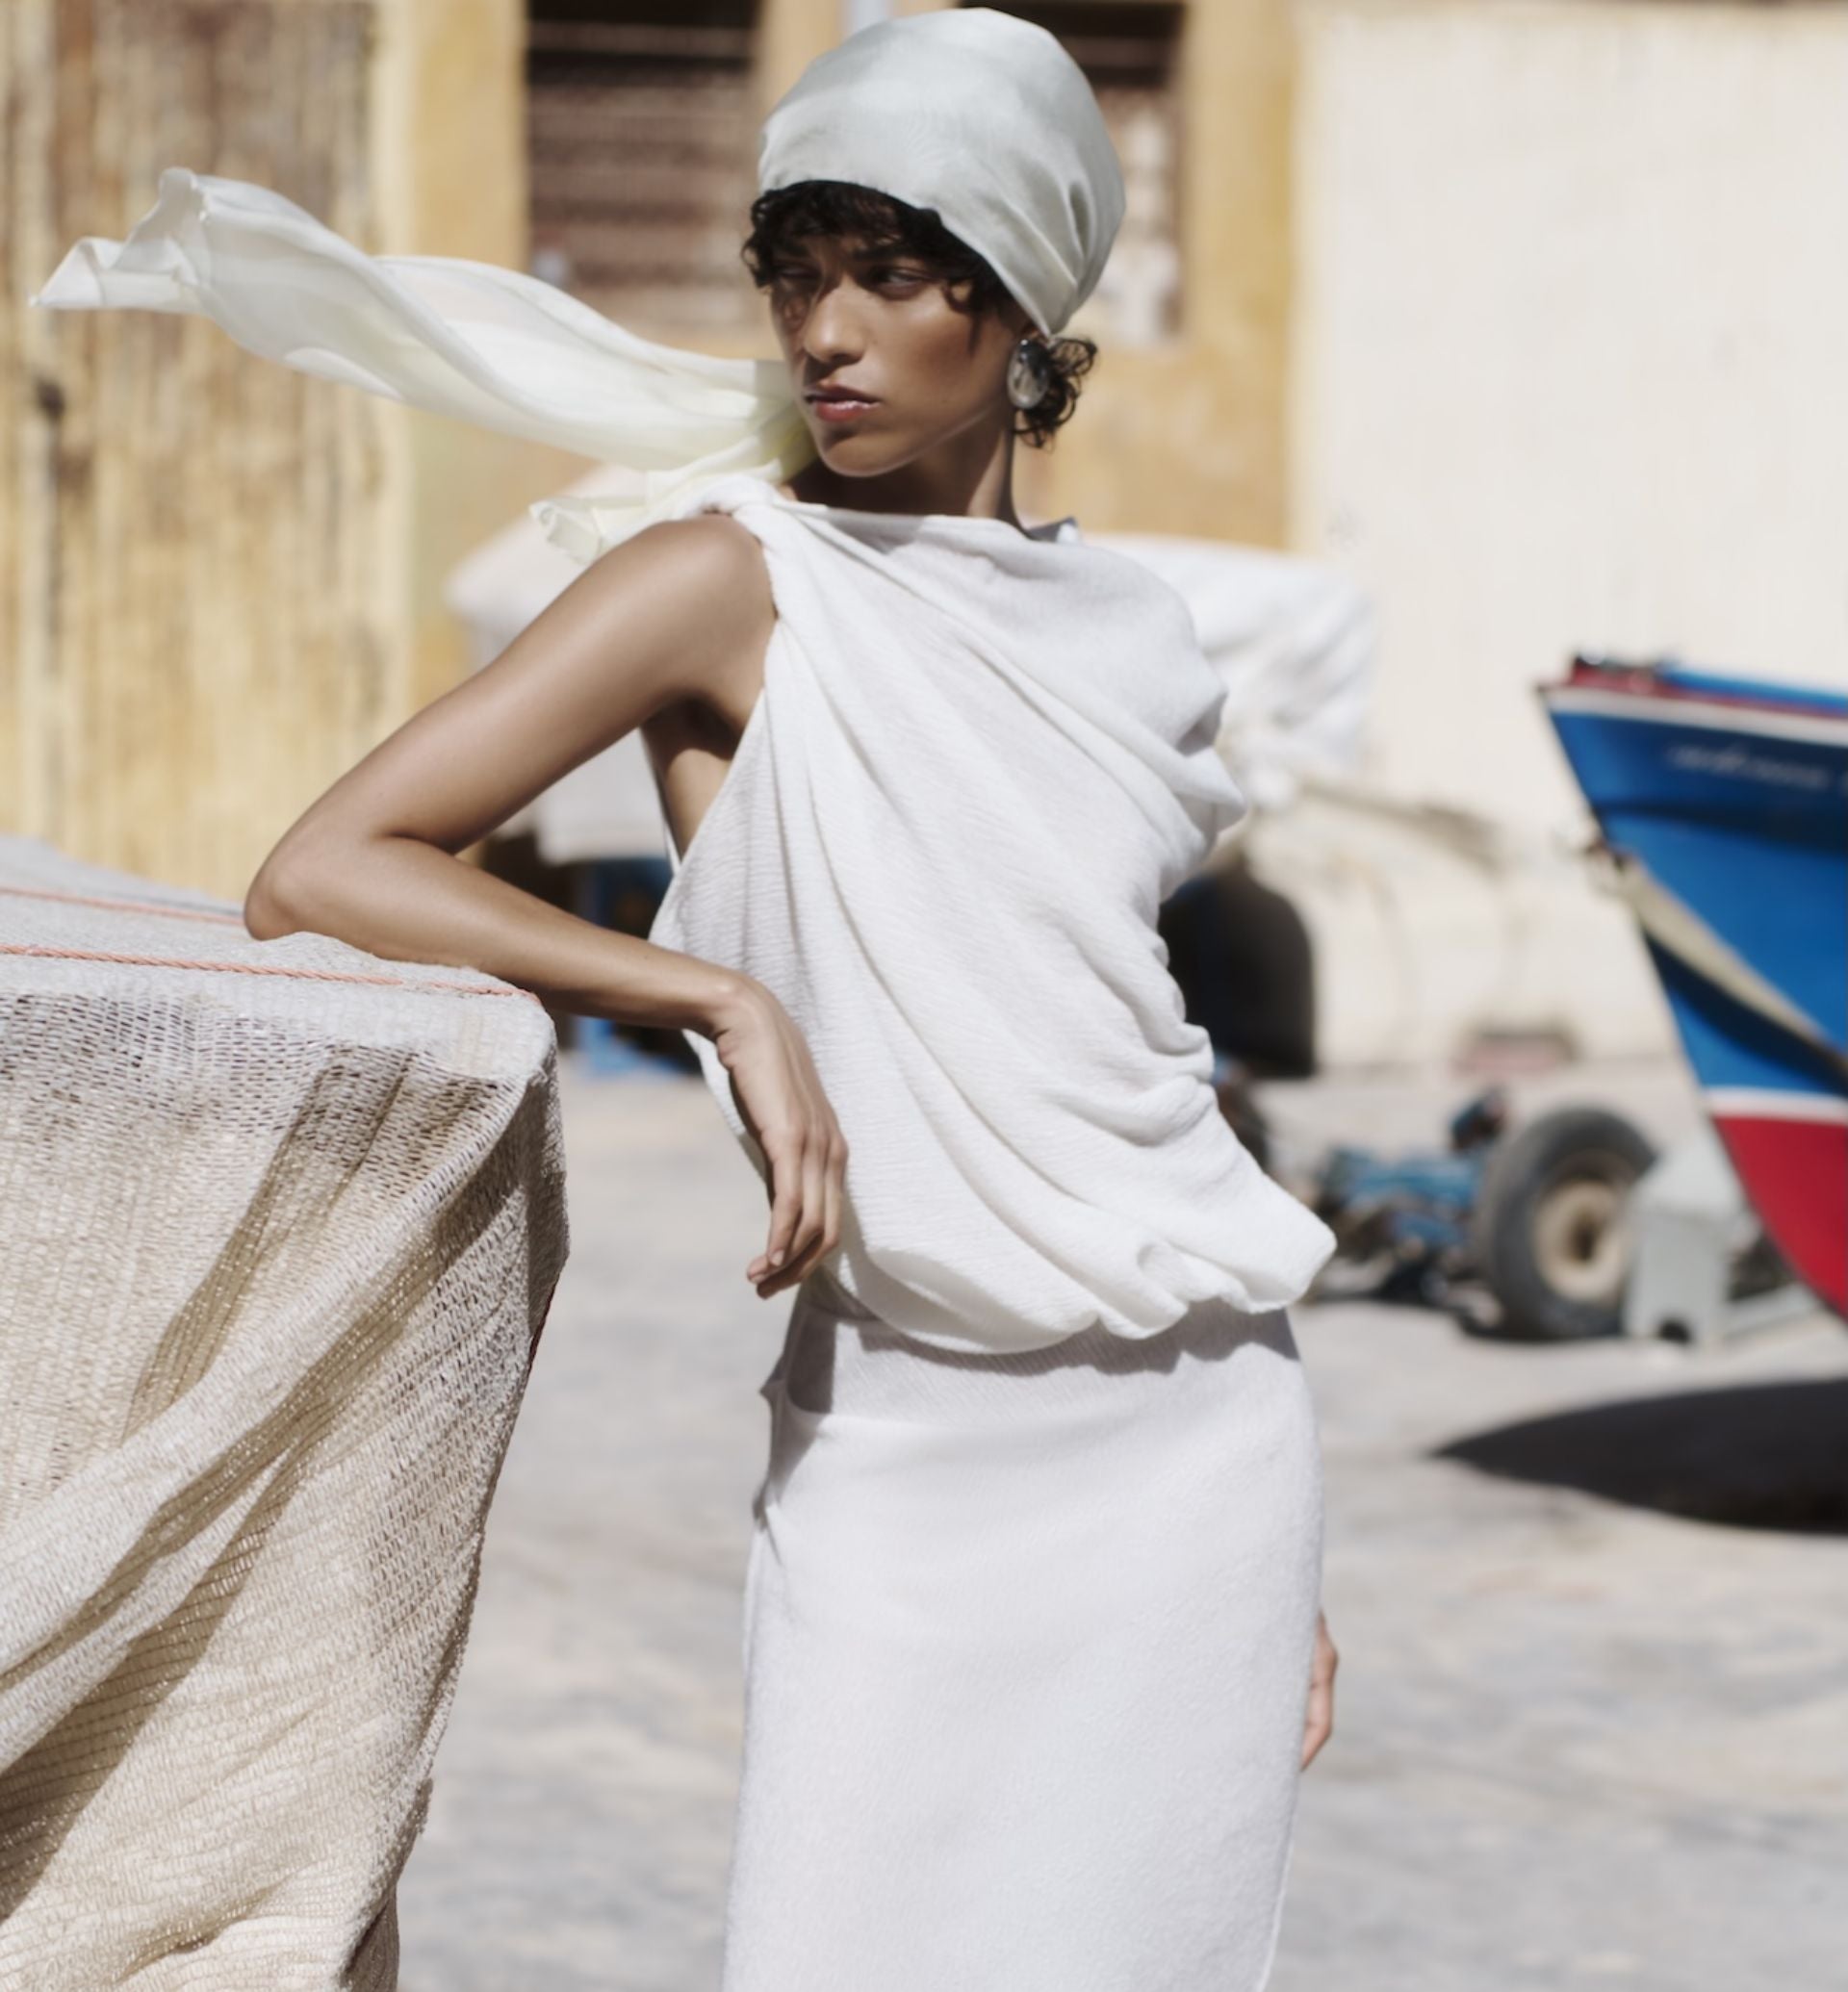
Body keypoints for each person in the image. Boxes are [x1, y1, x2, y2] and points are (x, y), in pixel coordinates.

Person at [32, 12, 1340, 1986]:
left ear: (1014, 305)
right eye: (798, 273)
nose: (827, 329)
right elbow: (327, 868)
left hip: (1205, 1450)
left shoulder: (1139, 637)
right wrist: (711, 990)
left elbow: (1126, 1056)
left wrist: (1289, 1561)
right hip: (905, 1438)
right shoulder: (728, 584)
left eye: (888, 274)